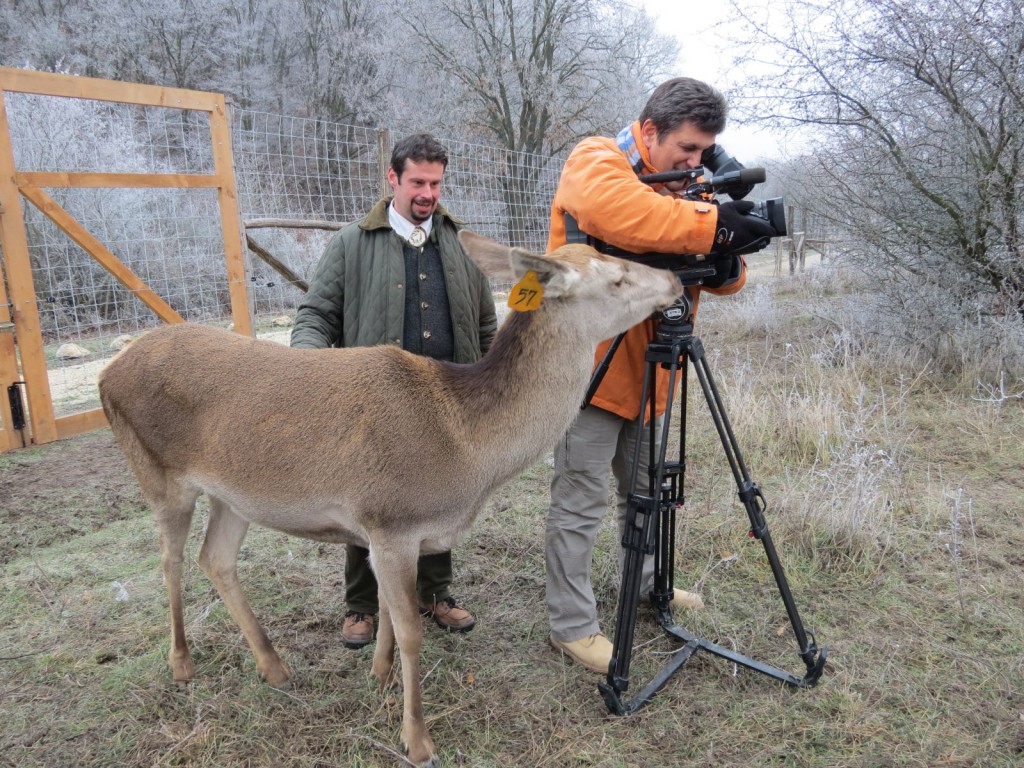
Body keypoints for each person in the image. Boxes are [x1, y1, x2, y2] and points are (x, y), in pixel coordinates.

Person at [544, 77, 775, 673]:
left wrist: (727, 250)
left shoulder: (688, 185)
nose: (696, 162)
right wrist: (713, 226)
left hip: (658, 369)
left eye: (704, 152)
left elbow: (722, 277)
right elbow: (621, 212)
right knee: (580, 502)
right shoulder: (597, 159)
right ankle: (572, 626)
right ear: (650, 131)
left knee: (646, 496)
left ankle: (649, 587)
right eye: (687, 148)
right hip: (590, 368)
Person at [290, 133, 498, 649]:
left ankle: (435, 593)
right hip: (375, 408)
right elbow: (316, 315)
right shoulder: (350, 244)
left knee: (441, 498)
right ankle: (361, 605)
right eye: (417, 182)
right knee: (371, 505)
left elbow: (487, 324)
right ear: (392, 178)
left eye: (436, 183)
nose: (428, 193)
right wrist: (309, 368)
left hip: (450, 404)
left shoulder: (461, 242)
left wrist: (493, 380)